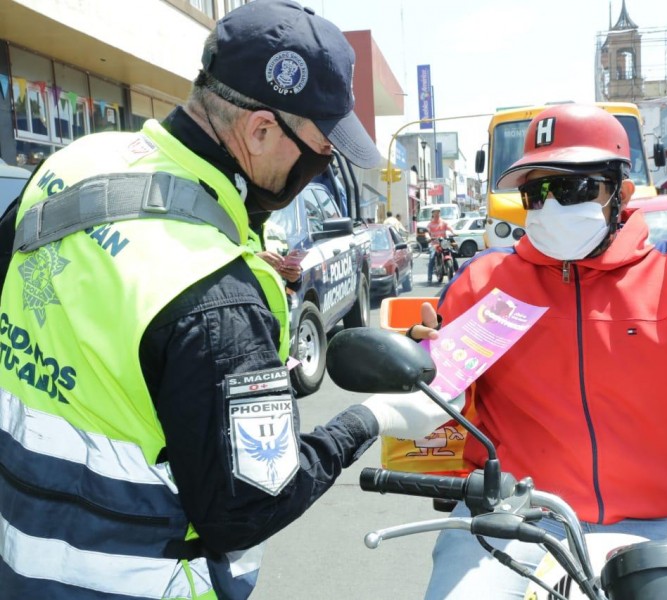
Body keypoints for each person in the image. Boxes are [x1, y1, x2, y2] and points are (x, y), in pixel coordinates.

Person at [0, 2, 455, 597]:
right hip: (133, 579)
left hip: (20, 554)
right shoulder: (216, 292)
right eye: (320, 150)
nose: (320, 170)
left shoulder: (70, 165)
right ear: (261, 129)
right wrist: (374, 417)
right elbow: (245, 509)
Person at [406, 104, 667, 599]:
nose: (551, 207)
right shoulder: (483, 282)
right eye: (537, 191)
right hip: (512, 516)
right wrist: (416, 368)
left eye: (572, 188)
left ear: (622, 193)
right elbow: (437, 399)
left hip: (656, 526)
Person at [426, 207, 457, 284]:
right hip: (434, 244)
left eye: (438, 212)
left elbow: (450, 228)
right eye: (435, 212)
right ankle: (429, 277)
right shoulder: (430, 224)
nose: (436, 214)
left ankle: (458, 274)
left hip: (443, 243)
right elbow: (427, 232)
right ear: (432, 214)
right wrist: (428, 237)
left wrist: (453, 232)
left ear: (440, 213)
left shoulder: (444, 222)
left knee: (453, 254)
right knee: (432, 257)